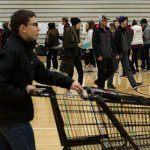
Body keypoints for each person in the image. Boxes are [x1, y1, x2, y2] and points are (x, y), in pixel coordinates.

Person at [0, 9, 83, 150]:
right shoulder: (12, 51)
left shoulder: (25, 50)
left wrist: (69, 82)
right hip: (13, 118)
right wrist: (24, 91)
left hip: (11, 117)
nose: (38, 28)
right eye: (35, 24)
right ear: (23, 28)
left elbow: (42, 73)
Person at [114, 16, 142, 90]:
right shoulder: (118, 31)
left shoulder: (125, 30)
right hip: (119, 53)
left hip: (124, 53)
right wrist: (117, 53)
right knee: (113, 69)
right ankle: (109, 84)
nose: (127, 22)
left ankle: (134, 84)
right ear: (122, 22)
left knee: (128, 69)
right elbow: (116, 43)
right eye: (126, 21)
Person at [63, 17, 83, 97]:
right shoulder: (69, 31)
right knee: (70, 74)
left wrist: (83, 46)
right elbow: (66, 44)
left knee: (81, 72)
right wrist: (76, 45)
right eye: (79, 24)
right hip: (70, 55)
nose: (80, 26)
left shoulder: (77, 31)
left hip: (77, 55)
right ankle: (68, 91)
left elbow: (77, 44)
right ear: (75, 24)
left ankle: (80, 89)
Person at [92, 15, 114, 89]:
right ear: (101, 21)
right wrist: (98, 55)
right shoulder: (96, 31)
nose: (106, 22)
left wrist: (113, 52)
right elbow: (94, 44)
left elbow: (112, 42)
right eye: (104, 20)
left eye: (106, 20)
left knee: (112, 70)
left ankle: (99, 82)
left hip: (109, 55)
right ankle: (101, 89)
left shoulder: (108, 30)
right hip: (101, 56)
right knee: (101, 73)